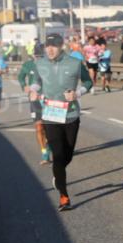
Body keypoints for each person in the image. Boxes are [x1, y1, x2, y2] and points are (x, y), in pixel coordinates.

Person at [31, 33, 93, 211]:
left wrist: (77, 94)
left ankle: (58, 176)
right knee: (57, 156)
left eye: (54, 46)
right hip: (50, 115)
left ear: (61, 46)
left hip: (71, 115)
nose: (50, 49)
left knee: (67, 155)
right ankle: (64, 196)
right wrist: (33, 90)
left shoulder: (74, 63)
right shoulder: (40, 63)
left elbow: (88, 82)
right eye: (47, 46)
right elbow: (36, 82)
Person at [18, 44, 52, 164]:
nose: (39, 59)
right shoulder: (28, 65)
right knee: (39, 127)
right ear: (33, 55)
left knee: (51, 127)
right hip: (34, 98)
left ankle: (51, 144)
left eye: (41, 56)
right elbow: (21, 77)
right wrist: (24, 86)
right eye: (37, 56)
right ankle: (44, 152)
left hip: (50, 98)